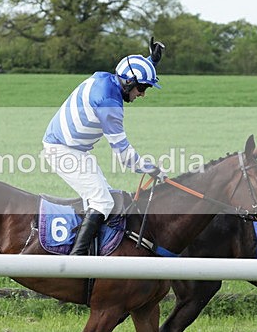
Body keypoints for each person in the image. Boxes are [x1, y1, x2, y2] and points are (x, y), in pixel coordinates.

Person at [42, 37, 167, 257]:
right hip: (63, 151)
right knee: (102, 202)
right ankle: (77, 260)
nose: (142, 94)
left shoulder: (106, 78)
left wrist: (152, 61)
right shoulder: (109, 103)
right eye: (142, 88)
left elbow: (131, 71)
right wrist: (152, 169)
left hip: (74, 150)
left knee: (110, 198)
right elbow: (124, 155)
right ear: (128, 83)